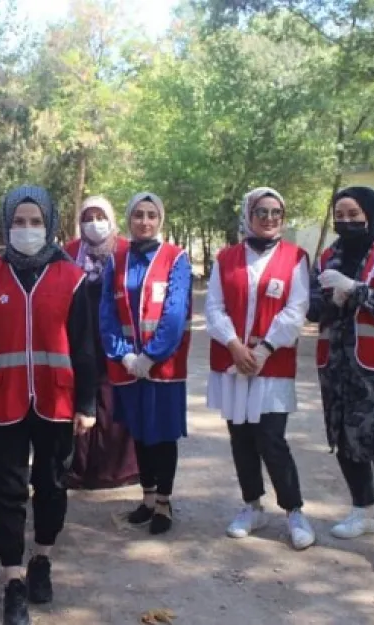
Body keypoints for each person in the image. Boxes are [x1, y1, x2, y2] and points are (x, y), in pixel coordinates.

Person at [0, 185, 97, 625]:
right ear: (6, 225)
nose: (26, 229)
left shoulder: (72, 278)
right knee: (6, 492)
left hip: (57, 401)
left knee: (53, 485)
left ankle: (42, 558)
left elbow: (84, 348)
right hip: (2, 400)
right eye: (18, 222)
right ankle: (13, 581)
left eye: (35, 222)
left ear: (49, 224)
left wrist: (86, 403)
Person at [308, 186, 374, 574]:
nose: (347, 220)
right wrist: (330, 303)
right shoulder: (328, 256)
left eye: (354, 213)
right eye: (340, 213)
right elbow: (312, 308)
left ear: (370, 212)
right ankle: (362, 509)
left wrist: (354, 290)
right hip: (337, 365)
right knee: (346, 440)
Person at [205, 187, 315, 550]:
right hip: (234, 361)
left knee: (271, 437)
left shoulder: (295, 257)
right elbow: (215, 308)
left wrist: (265, 348)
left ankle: (294, 510)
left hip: (272, 363)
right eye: (262, 212)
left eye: (276, 213)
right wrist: (235, 346)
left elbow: (296, 309)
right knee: (241, 438)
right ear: (248, 215)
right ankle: (252, 505)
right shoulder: (226, 258)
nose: (269, 219)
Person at [99, 192, 192, 536]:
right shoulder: (116, 259)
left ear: (160, 220)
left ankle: (165, 501)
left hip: (162, 368)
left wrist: (151, 356)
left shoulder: (176, 258)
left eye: (152, 215)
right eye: (138, 214)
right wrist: (123, 354)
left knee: (163, 435)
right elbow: (107, 313)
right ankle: (148, 497)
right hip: (127, 367)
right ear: (129, 219)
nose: (144, 221)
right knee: (138, 432)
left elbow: (175, 312)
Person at [63, 195, 139, 490]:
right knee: (82, 393)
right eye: (87, 217)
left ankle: (116, 469)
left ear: (112, 219)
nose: (94, 223)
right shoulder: (70, 252)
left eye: (100, 216)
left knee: (113, 396)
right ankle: (79, 467)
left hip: (116, 331)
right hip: (79, 330)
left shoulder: (126, 251)